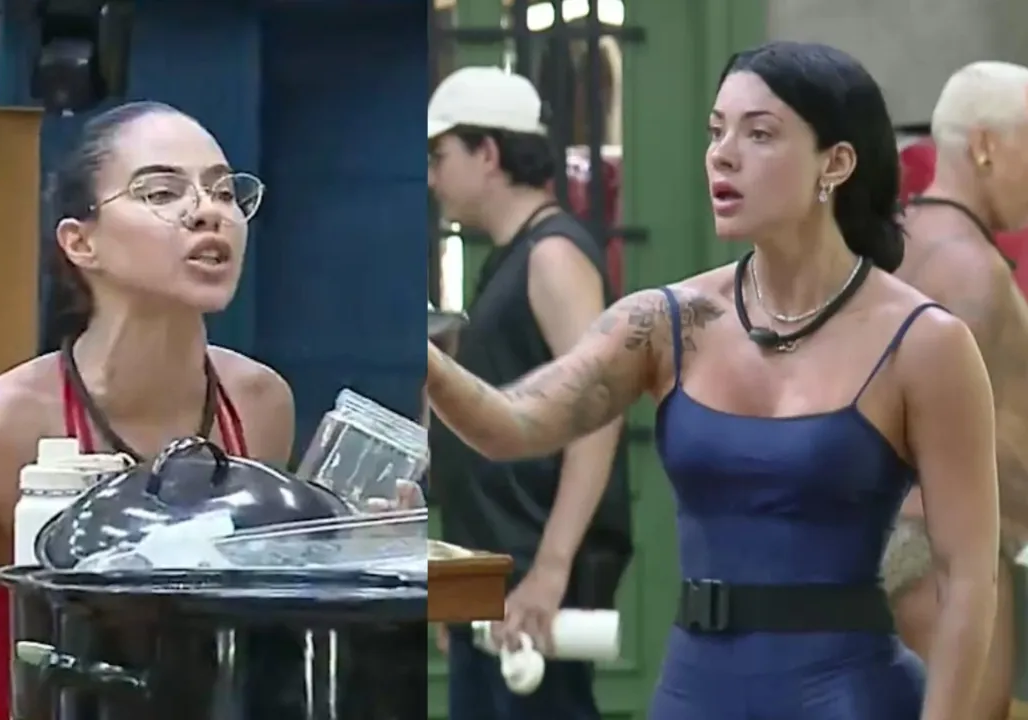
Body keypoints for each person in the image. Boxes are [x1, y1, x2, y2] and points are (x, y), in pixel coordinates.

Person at [426, 42, 999, 719]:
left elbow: (966, 578)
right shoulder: (665, 323)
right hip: (695, 692)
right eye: (715, 131)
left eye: (759, 133)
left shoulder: (925, 343)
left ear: (835, 163)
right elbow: (511, 425)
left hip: (848, 694)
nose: (722, 155)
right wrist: (417, 353)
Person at [0, 101, 292, 720]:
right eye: (161, 192)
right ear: (80, 242)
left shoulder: (259, 404)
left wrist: (360, 546)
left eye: (224, 191)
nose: (208, 211)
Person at [426, 66, 632, 720]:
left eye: (440, 156)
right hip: (492, 583)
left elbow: (598, 411)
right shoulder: (511, 258)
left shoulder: (552, 255)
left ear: (487, 152)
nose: (431, 178)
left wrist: (551, 570)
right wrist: (460, 595)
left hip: (531, 588)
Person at [889, 60, 1028, 720]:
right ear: (985, 145)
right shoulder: (972, 271)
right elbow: (947, 437)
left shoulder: (895, 246)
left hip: (895, 539)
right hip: (947, 549)